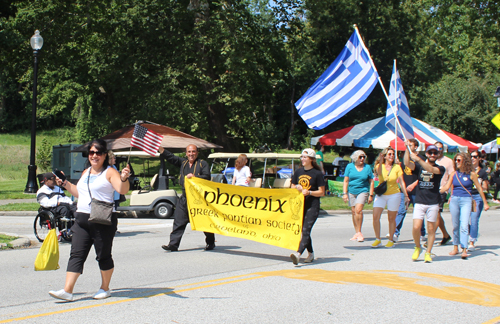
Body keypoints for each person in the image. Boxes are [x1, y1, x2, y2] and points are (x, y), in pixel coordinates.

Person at [49, 139, 131, 301]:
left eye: (98, 153)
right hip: (82, 218)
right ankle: (67, 290)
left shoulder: (109, 172)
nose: (94, 156)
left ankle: (105, 288)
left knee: (103, 255)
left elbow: (122, 190)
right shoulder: (86, 172)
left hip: (102, 219)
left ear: (104, 155)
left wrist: (123, 178)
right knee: (76, 254)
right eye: (91, 152)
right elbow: (80, 193)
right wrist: (65, 183)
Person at [159, 145, 215, 251]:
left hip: (199, 199)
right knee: (178, 221)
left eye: (193, 151)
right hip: (184, 198)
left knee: (203, 222)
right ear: (186, 153)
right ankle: (173, 245)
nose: (191, 154)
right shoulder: (183, 163)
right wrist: (162, 151)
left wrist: (195, 177)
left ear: (197, 152)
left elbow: (207, 177)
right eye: (189, 152)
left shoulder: (203, 163)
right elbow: (172, 157)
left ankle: (211, 242)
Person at [440, 153, 489, 259]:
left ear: (464, 162)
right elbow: (447, 187)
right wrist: (436, 191)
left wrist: (485, 202)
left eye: (459, 160)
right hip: (454, 200)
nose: (457, 162)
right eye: (456, 160)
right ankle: (455, 247)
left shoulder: (471, 174)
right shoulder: (453, 174)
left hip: (466, 200)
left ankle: (464, 249)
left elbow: (480, 188)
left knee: (464, 224)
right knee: (455, 224)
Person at [404, 144, 445, 263]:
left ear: (438, 155)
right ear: (426, 153)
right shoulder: (419, 166)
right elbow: (407, 163)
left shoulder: (441, 168)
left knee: (431, 229)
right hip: (420, 201)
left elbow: (431, 170)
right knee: (416, 227)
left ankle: (428, 252)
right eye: (430, 152)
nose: (432, 155)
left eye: (435, 153)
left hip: (433, 202)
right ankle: (417, 246)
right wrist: (408, 149)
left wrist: (419, 159)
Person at [290, 148, 325, 264]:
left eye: (305, 157)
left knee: (306, 230)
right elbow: (292, 186)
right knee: (303, 231)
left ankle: (298, 254)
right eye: (302, 157)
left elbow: (322, 192)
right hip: (300, 206)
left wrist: (309, 192)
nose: (302, 159)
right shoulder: (299, 171)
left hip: (312, 206)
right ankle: (311, 254)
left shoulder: (317, 174)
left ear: (311, 159)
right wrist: (297, 188)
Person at [372, 147, 409, 248]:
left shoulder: (397, 167)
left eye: (393, 154)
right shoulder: (380, 166)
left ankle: (391, 239)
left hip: (394, 194)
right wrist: (380, 159)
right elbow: (379, 173)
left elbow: (401, 182)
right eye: (389, 154)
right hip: (381, 194)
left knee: (391, 218)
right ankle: (378, 239)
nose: (392, 156)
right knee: (375, 216)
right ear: (385, 156)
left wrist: (406, 195)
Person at [392, 139, 425, 242]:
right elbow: (405, 165)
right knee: (401, 211)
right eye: (408, 145)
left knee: (418, 213)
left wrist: (414, 184)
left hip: (417, 191)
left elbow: (423, 176)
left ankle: (422, 232)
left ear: (416, 147)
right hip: (405, 191)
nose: (409, 146)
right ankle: (395, 232)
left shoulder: (421, 159)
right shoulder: (405, 159)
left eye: (411, 145)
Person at [342, 150, 374, 243]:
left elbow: (371, 181)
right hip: (351, 191)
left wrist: (371, 195)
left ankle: (360, 232)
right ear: (355, 158)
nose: (362, 159)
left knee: (358, 210)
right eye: (360, 157)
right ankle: (356, 232)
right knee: (353, 211)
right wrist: (344, 193)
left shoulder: (367, 167)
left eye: (364, 157)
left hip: (363, 190)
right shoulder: (349, 166)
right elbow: (346, 181)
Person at [469, 150, 489, 251]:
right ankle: (472, 232)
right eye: (471, 156)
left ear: (479, 158)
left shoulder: (482, 172)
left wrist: (481, 185)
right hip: (466, 196)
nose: (473, 158)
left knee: (474, 219)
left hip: (476, 197)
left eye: (475, 156)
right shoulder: (467, 170)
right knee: (462, 219)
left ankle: (472, 240)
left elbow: (486, 187)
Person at [434, 141, 453, 245]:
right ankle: (446, 235)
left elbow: (452, 176)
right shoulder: (430, 160)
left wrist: (450, 192)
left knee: (436, 213)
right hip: (431, 190)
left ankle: (430, 237)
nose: (438, 150)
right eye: (436, 148)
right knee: (436, 215)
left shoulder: (448, 161)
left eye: (440, 148)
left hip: (442, 190)